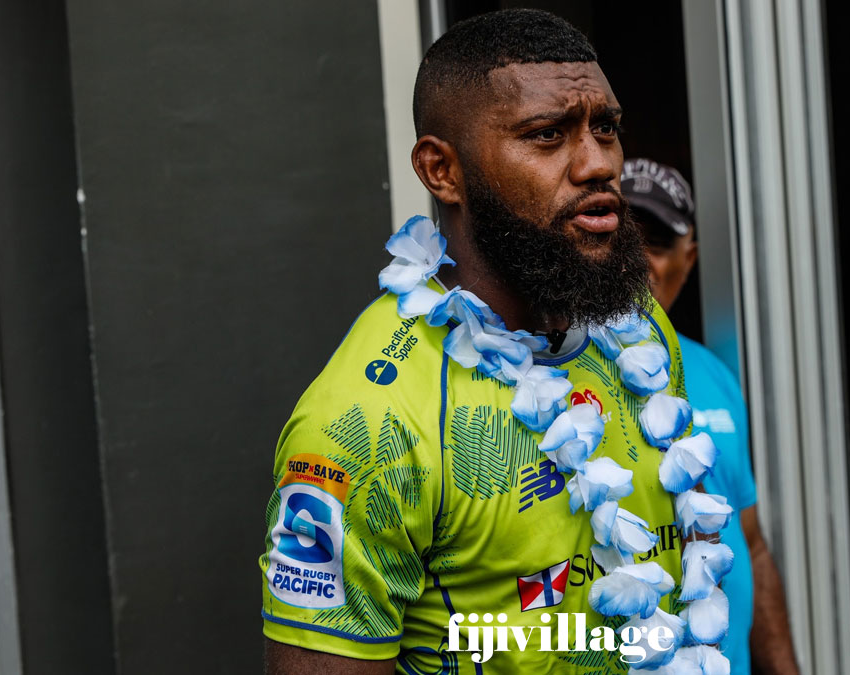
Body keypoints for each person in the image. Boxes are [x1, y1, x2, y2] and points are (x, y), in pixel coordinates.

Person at [261, 10, 737, 675]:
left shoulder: (638, 326)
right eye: (547, 135)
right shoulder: (367, 422)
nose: (598, 163)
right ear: (441, 170)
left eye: (606, 128)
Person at [623, 158, 798, 675]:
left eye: (657, 244)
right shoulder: (561, 378)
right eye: (624, 239)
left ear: (689, 259)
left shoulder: (714, 374)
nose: (637, 261)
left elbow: (751, 546)